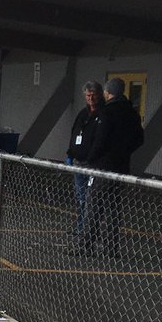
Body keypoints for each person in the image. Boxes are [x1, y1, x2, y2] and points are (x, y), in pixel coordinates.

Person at [78, 77, 144, 256]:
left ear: (108, 92)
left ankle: (86, 245)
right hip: (121, 166)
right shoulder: (132, 113)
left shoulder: (107, 112)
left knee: (93, 206)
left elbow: (100, 140)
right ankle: (111, 247)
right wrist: (123, 151)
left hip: (103, 166)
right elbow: (139, 139)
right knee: (113, 207)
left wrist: (91, 158)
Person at [66, 81, 104, 236]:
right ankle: (81, 226)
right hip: (78, 161)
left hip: (92, 163)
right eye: (88, 95)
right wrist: (70, 153)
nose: (91, 98)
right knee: (81, 197)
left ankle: (90, 229)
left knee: (91, 199)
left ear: (100, 94)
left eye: (93, 95)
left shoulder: (103, 113)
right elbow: (74, 133)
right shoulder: (83, 113)